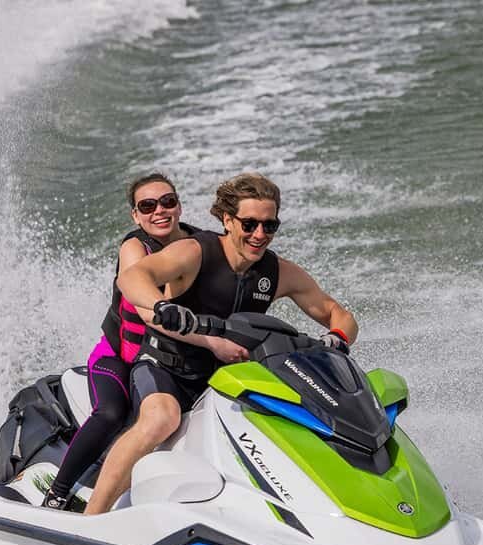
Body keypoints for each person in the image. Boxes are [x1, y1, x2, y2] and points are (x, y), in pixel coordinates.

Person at [83, 172, 358, 515]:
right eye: (249, 224)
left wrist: (337, 338)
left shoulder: (278, 273)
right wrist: (162, 306)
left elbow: (337, 313)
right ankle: (91, 517)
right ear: (228, 220)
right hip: (166, 367)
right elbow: (133, 277)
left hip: (223, 379)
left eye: (269, 226)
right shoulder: (195, 252)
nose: (259, 234)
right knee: (161, 419)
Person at [42, 172, 198, 510]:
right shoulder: (134, 247)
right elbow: (145, 304)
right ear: (136, 216)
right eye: (148, 206)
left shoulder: (198, 246)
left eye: (167, 202)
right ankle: (57, 492)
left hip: (167, 362)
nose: (159, 211)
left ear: (179, 206)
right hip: (119, 359)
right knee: (111, 414)